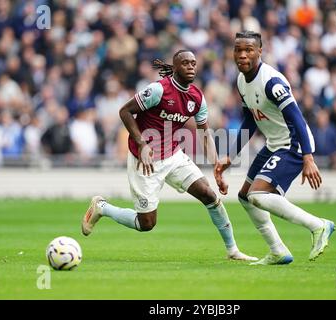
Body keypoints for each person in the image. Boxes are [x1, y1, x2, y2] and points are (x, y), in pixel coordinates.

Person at [81, 49, 257, 261]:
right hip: (144, 160)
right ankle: (102, 207)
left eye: (193, 63)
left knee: (209, 195)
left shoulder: (197, 97)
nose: (191, 66)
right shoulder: (158, 90)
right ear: (174, 68)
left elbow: (205, 134)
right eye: (185, 63)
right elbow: (124, 111)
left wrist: (216, 166)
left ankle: (232, 250)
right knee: (146, 224)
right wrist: (142, 143)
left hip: (174, 155)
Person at [214, 31, 335, 265]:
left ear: (260, 51)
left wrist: (308, 157)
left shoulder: (272, 82)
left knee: (258, 195)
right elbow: (251, 120)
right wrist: (231, 155)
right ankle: (278, 251)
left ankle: (319, 225)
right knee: (245, 197)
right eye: (238, 49)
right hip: (274, 144)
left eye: (249, 49)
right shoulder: (241, 81)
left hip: (294, 144)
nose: (242, 55)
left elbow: (298, 119)